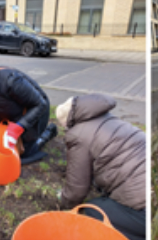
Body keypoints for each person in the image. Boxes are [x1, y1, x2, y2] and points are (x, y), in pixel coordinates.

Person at [55, 95, 145, 240]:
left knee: (92, 211)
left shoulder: (78, 135)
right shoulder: (109, 119)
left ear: (68, 122)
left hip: (144, 209)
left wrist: (64, 200)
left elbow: (76, 191)